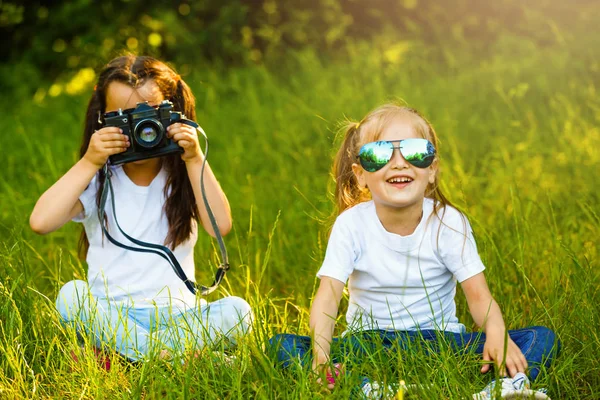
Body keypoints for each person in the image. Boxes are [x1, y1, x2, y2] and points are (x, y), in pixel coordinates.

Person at [269, 104, 559, 398]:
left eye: (415, 152)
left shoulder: (448, 222)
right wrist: (321, 360)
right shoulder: (351, 225)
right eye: (380, 154)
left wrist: (497, 335)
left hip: (442, 344)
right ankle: (368, 389)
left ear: (431, 170)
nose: (398, 164)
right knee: (281, 344)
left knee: (539, 338)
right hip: (368, 344)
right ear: (360, 175)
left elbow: (480, 297)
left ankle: (500, 389)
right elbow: (328, 296)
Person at [30, 55, 253, 364]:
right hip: (113, 315)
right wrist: (90, 161)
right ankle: (181, 360)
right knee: (72, 296)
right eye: (123, 117)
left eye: (147, 115)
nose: (140, 129)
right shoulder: (99, 179)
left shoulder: (185, 175)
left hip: (179, 317)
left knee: (238, 312)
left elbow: (220, 227)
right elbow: (40, 222)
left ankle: (124, 357)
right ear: (103, 121)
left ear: (172, 115)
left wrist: (194, 158)